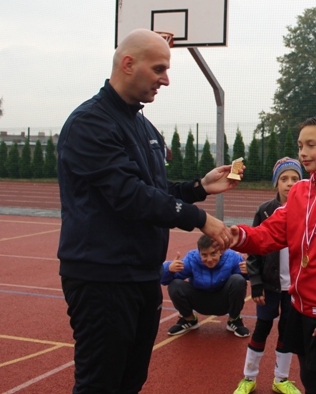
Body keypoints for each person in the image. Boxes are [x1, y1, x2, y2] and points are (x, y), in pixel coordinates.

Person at [57, 28, 238, 394]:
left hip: (142, 275)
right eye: (159, 69)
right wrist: (200, 219)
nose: (165, 80)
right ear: (128, 64)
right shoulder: (90, 123)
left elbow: (155, 191)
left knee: (131, 381)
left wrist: (198, 188)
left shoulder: (142, 124)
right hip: (102, 278)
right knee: (100, 385)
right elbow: (130, 196)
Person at [230, 114, 316, 394]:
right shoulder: (300, 192)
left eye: (311, 145)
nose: (303, 152)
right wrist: (240, 237)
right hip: (298, 306)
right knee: (309, 378)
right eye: (300, 146)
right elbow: (271, 232)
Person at [234, 157, 304, 394]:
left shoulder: (308, 211)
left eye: (295, 178)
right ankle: (249, 377)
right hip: (269, 285)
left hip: (294, 288)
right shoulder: (264, 210)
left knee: (287, 331)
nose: (290, 183)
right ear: (276, 183)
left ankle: (281, 379)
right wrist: (256, 283)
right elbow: (254, 249)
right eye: (284, 179)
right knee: (262, 328)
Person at [161, 234, 250, 337]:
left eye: (213, 253)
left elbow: (249, 277)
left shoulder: (232, 257)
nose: (209, 259)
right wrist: (169, 269)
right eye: (204, 255)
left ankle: (234, 320)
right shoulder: (192, 259)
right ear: (199, 253)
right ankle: (189, 320)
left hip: (223, 301)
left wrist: (250, 270)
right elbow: (164, 280)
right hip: (200, 300)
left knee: (238, 280)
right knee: (175, 284)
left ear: (221, 251)